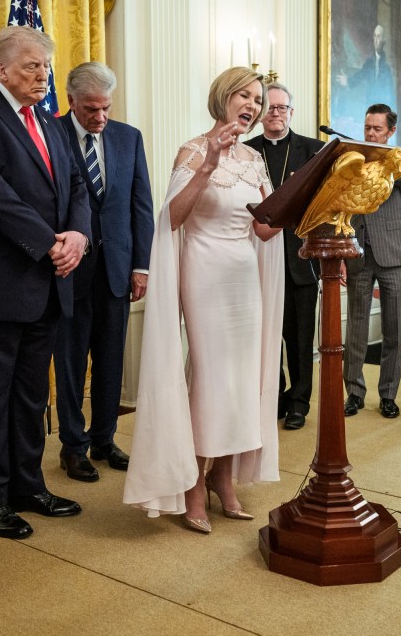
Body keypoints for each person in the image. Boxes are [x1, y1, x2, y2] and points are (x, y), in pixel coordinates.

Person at [0, 26, 89, 540]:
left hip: (48, 282)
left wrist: (77, 235)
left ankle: (28, 485)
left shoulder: (50, 123)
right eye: (32, 66)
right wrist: (49, 241)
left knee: (30, 397)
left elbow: (75, 185)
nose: (43, 75)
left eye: (46, 67)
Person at [124, 66, 283, 533]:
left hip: (243, 275)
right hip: (203, 270)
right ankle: (193, 483)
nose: (253, 106)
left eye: (258, 99)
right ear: (223, 98)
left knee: (241, 377)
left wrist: (304, 204)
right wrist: (210, 163)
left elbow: (265, 228)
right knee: (211, 377)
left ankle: (225, 480)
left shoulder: (256, 160)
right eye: (245, 96)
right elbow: (170, 218)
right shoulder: (193, 149)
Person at [53, 62, 154, 481]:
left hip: (116, 268)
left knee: (112, 360)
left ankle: (104, 438)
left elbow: (141, 205)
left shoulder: (128, 138)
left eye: (105, 108)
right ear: (71, 101)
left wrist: (141, 265)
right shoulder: (50, 133)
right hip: (69, 270)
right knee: (72, 362)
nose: (99, 117)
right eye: (90, 109)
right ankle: (73, 446)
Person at [245, 83, 320, 430]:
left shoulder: (314, 152)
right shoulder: (245, 152)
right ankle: (273, 397)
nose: (275, 113)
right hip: (257, 258)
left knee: (300, 338)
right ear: (261, 114)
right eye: (270, 108)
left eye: (282, 108)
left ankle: (299, 401)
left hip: (300, 259)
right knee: (264, 336)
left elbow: (325, 207)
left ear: (292, 112)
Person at [342, 104, 401, 419]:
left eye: (377, 129)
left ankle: (388, 395)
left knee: (392, 327)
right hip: (359, 250)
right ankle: (354, 393)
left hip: (396, 251)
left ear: (390, 132)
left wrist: (377, 154)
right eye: (367, 128)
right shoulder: (351, 158)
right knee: (356, 328)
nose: (371, 133)